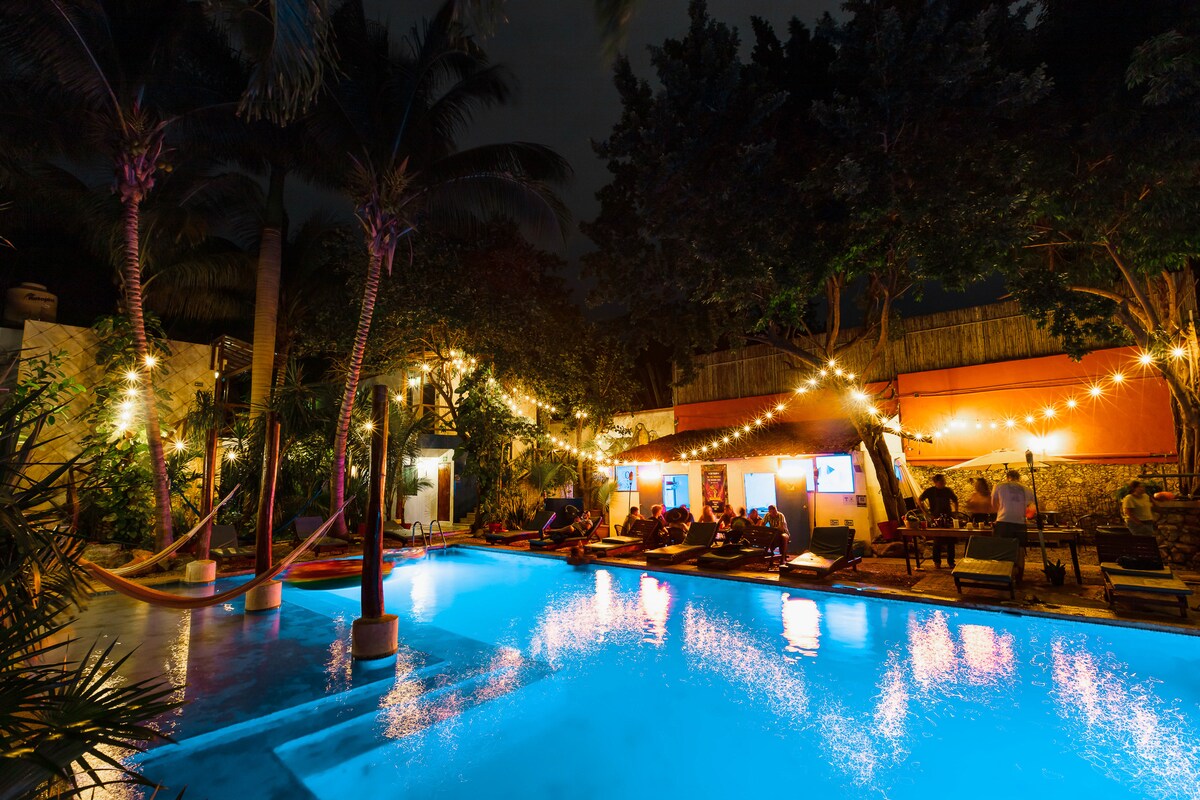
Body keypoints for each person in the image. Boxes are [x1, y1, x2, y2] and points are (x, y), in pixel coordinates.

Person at [991, 470, 1035, 581]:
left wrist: (1001, 511)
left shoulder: (999, 486)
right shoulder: (1027, 489)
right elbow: (1032, 508)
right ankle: (1019, 576)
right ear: (1018, 478)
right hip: (1020, 522)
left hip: (1003, 521)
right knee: (1020, 549)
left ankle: (1004, 574)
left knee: (1003, 549)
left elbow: (993, 504)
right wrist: (1024, 514)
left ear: (1007, 477)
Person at [919, 474, 959, 568]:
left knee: (951, 541)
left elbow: (955, 500)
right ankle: (937, 562)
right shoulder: (930, 491)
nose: (944, 482)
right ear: (936, 482)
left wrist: (956, 512)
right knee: (937, 541)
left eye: (944, 481)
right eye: (942, 481)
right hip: (936, 518)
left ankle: (951, 561)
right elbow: (919, 500)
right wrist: (926, 513)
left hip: (948, 517)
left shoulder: (948, 490)